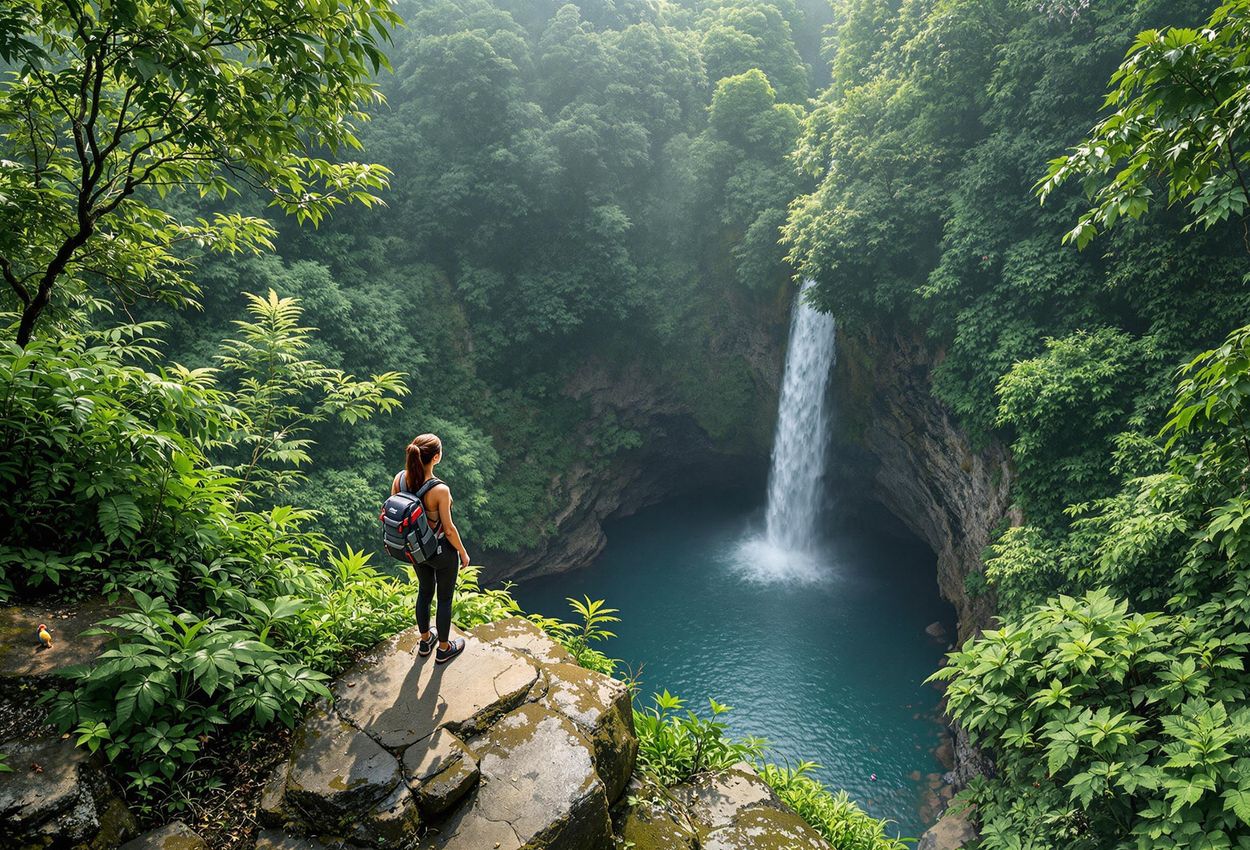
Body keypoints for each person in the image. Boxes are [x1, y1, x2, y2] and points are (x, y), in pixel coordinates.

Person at [392, 433, 469, 664]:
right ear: (436, 457)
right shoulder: (440, 490)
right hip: (441, 553)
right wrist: (463, 553)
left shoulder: (399, 480)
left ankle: (426, 641)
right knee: (444, 599)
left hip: (415, 549)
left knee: (424, 592)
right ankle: (444, 649)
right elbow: (449, 530)